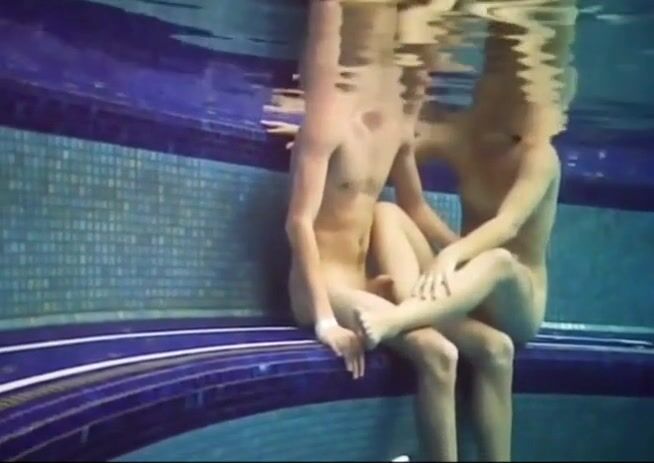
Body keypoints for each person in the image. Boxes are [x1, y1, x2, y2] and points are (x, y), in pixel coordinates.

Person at [285, 1, 462, 460]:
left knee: (479, 344)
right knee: (440, 354)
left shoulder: (397, 126)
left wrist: (463, 252)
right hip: (322, 288)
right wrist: (325, 320)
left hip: (363, 282)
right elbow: (298, 222)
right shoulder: (330, 117)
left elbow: (415, 207)